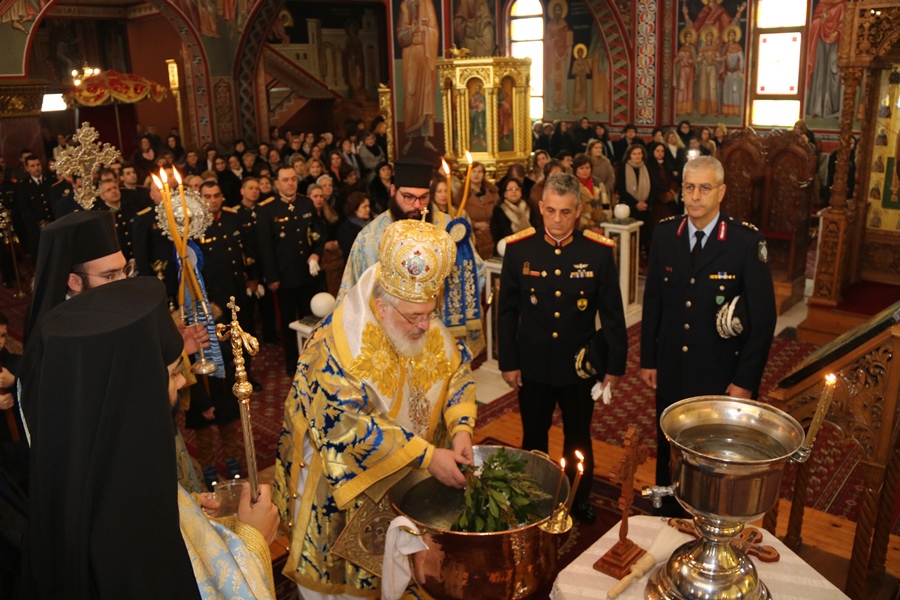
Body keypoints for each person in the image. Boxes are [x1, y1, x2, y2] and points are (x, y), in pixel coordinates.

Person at [20, 277, 279, 599]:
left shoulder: (90, 469)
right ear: (135, 390)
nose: (184, 380)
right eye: (172, 373)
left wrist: (185, 512)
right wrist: (254, 538)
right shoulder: (128, 529)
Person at [273, 217, 477, 599]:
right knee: (346, 591)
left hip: (407, 476)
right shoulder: (333, 346)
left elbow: (455, 371)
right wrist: (428, 456)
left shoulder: (416, 315)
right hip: (340, 484)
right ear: (381, 307)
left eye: (430, 313)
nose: (425, 326)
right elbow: (349, 424)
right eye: (414, 317)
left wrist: (461, 426)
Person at [640, 156, 776, 516]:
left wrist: (745, 381)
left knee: (712, 457)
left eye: (704, 188)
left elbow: (763, 320)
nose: (695, 196)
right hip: (672, 367)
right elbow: (653, 300)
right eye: (689, 187)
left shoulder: (745, 241)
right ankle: (667, 513)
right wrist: (649, 359)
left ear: (721, 192)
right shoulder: (666, 233)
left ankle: (709, 525)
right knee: (670, 446)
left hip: (719, 373)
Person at [498, 172, 627, 524]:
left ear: (579, 211)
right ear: (540, 208)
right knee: (534, 435)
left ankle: (577, 495)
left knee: (578, 436)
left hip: (578, 366)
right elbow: (507, 312)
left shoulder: (597, 253)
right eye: (551, 211)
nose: (557, 220)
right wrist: (508, 361)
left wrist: (613, 367)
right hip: (533, 364)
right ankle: (532, 495)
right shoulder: (519, 248)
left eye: (565, 212)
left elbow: (612, 315)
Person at [339, 156, 486, 354]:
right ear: (393, 191)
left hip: (440, 338)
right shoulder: (370, 238)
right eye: (408, 197)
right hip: (390, 341)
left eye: (424, 198)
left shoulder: (449, 229)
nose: (417, 206)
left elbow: (478, 272)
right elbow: (351, 293)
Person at [256, 166, 324, 374]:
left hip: (308, 274)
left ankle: (311, 356)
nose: (290, 183)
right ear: (277, 184)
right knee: (288, 321)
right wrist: (272, 277)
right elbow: (265, 248)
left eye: (293, 179)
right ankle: (292, 360)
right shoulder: (267, 209)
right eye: (285, 180)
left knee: (310, 317)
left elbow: (318, 233)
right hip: (284, 277)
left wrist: (316, 254)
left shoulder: (306, 203)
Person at [616, 144, 655, 255]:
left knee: (648, 236)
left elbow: (653, 187)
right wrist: (636, 203)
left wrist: (646, 203)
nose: (637, 156)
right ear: (629, 155)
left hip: (646, 208)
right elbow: (621, 189)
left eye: (639, 153)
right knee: (633, 239)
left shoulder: (647, 166)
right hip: (630, 208)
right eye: (634, 154)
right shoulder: (623, 167)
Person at [16, 154, 55, 259]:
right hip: (36, 229)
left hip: (54, 224)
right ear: (27, 168)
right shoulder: (23, 186)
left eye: (38, 165)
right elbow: (24, 208)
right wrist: (39, 222)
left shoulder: (51, 180)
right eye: (32, 166)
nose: (36, 168)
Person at [490, 176, 538, 243]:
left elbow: (537, 228)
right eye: (510, 189)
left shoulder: (529, 207)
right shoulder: (499, 211)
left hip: (532, 244)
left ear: (521, 192)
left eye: (517, 189)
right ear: (505, 193)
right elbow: (499, 235)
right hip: (508, 247)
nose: (514, 191)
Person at [573, 152, 609, 229]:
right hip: (582, 226)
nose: (585, 171)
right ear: (576, 170)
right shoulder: (573, 186)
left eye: (587, 168)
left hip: (601, 225)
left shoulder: (598, 183)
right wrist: (591, 227)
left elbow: (606, 205)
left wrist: (602, 223)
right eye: (581, 168)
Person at [337, 191, 371, 258]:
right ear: (354, 209)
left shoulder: (371, 224)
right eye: (364, 207)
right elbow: (350, 254)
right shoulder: (345, 229)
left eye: (368, 206)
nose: (368, 209)